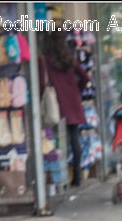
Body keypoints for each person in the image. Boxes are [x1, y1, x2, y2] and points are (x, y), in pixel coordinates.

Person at [39, 30, 89, 186]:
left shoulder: (45, 60)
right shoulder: (70, 57)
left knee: (54, 138)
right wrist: (77, 91)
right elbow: (85, 77)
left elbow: (41, 83)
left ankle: (58, 176)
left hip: (56, 103)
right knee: (74, 138)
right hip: (73, 101)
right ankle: (77, 176)